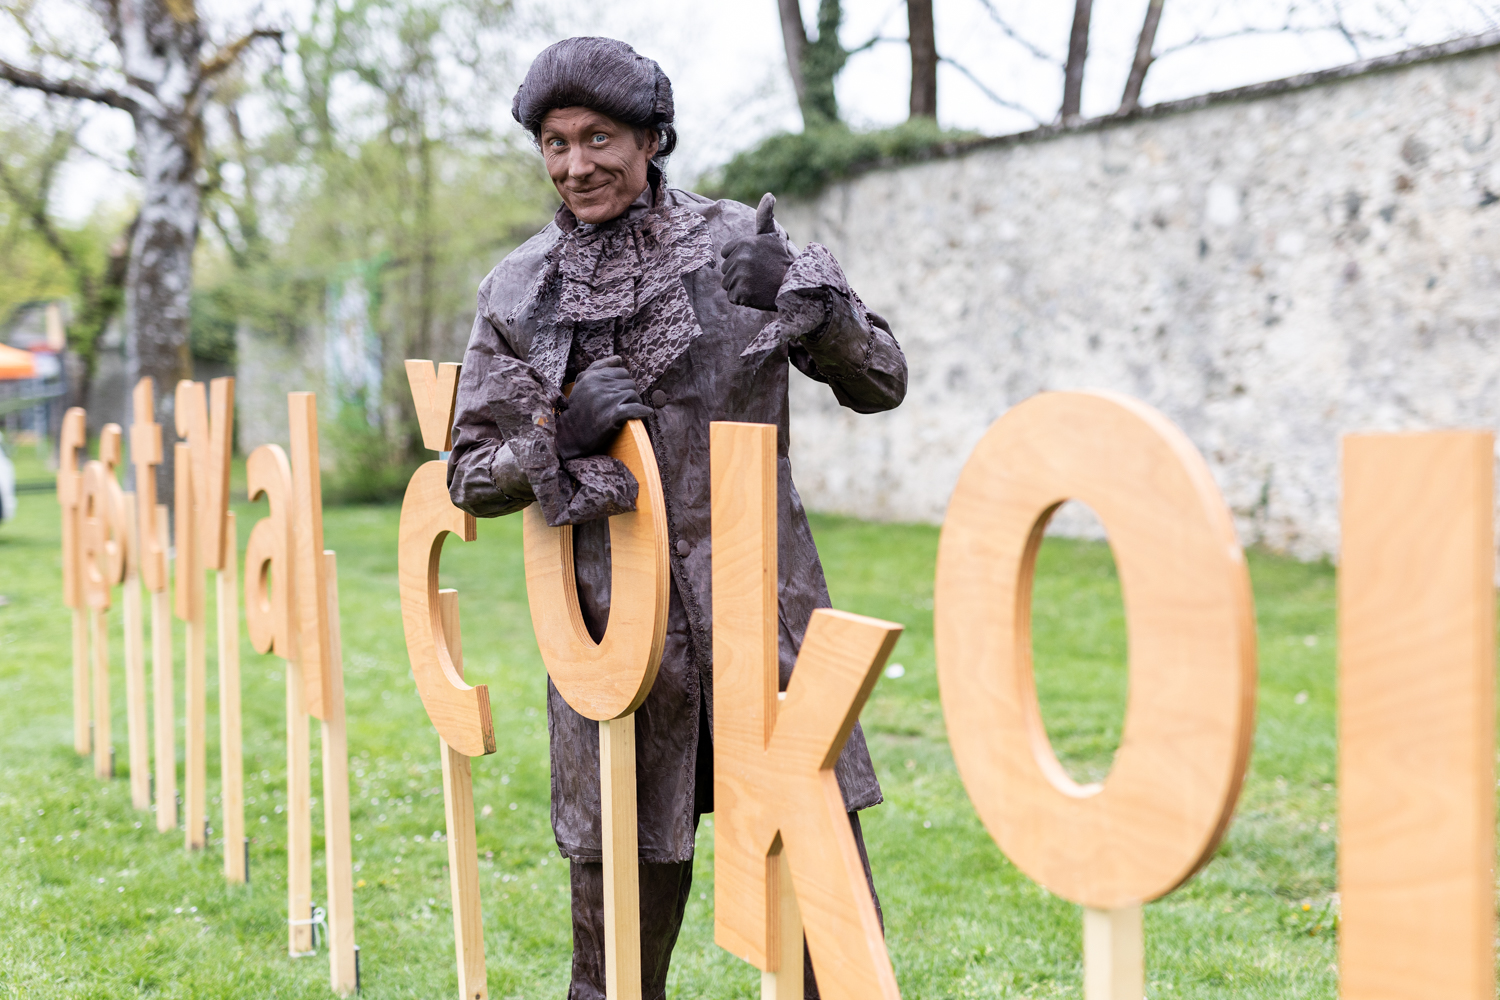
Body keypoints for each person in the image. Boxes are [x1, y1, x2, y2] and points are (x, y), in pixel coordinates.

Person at [447, 36, 907, 1000]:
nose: (577, 165)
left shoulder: (742, 241)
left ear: (652, 139)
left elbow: (882, 381)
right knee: (613, 960)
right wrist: (559, 432)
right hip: (617, 648)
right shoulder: (517, 291)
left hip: (766, 628)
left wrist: (804, 300)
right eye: (556, 142)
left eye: (600, 138)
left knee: (828, 934)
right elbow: (469, 476)